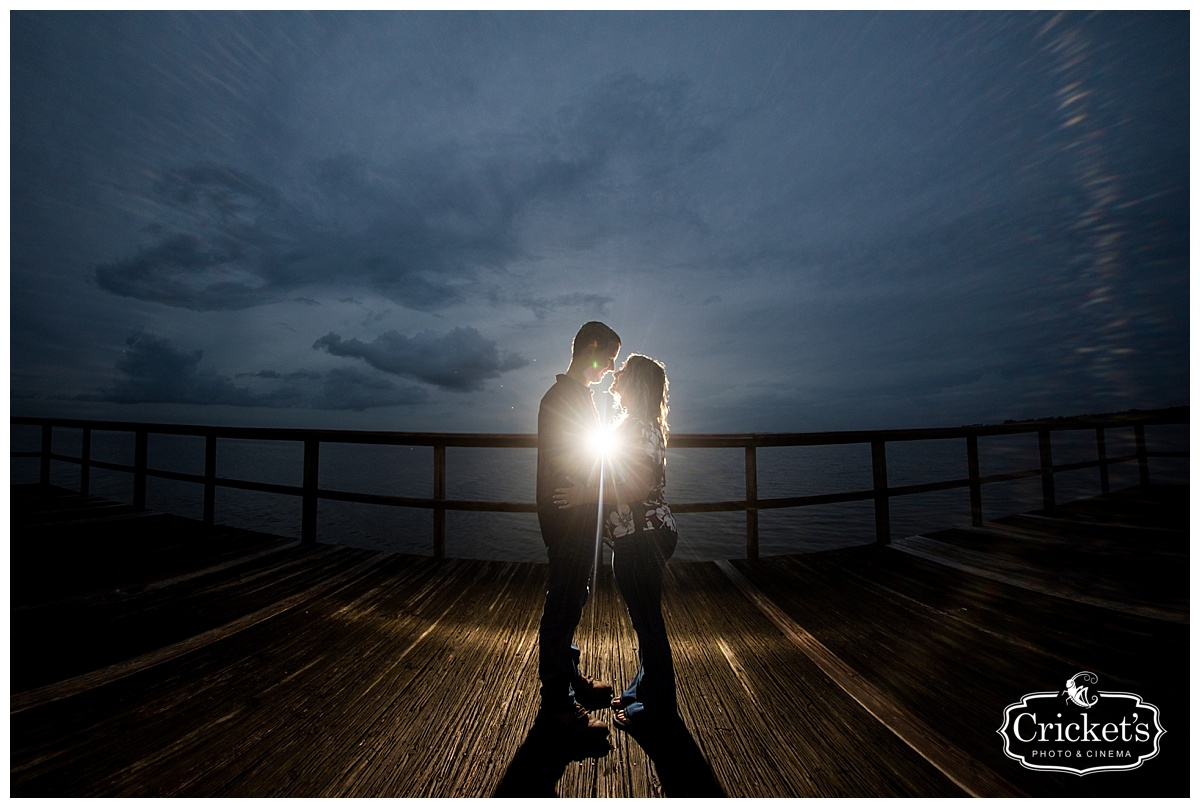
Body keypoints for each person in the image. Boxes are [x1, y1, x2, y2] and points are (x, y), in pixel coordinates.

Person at [555, 353, 678, 731]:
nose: (617, 372)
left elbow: (637, 487)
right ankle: (642, 689)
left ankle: (657, 707)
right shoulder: (642, 425)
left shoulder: (639, 427)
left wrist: (583, 495)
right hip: (646, 534)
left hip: (641, 538)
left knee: (647, 622)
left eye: (624, 370)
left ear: (636, 382)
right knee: (645, 617)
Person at [535, 321, 621, 733]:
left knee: (572, 601)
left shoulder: (578, 396)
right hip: (568, 519)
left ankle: (569, 678)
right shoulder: (560, 398)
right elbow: (564, 457)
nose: (609, 368)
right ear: (592, 348)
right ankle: (557, 704)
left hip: (579, 517)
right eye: (609, 358)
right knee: (562, 606)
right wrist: (591, 489)